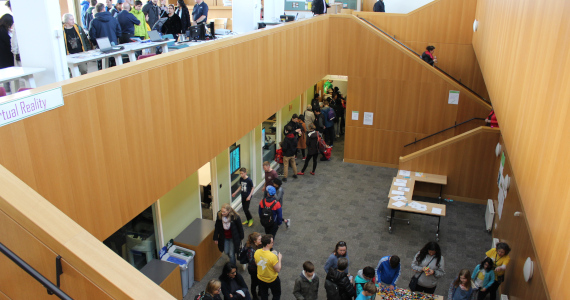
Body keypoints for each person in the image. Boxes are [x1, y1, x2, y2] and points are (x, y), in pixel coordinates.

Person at [254, 235, 282, 300]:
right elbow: (278, 269)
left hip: (261, 278)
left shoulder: (257, 252)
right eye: (272, 242)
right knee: (276, 294)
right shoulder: (272, 256)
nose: (273, 243)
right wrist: (279, 258)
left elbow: (257, 264)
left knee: (264, 294)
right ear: (267, 244)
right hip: (272, 279)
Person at [245, 232, 262, 300]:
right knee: (254, 283)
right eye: (259, 239)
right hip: (253, 269)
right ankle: (254, 296)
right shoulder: (250, 249)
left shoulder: (259, 245)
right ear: (255, 241)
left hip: (259, 268)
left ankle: (260, 292)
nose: (261, 240)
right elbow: (251, 261)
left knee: (260, 281)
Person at [0, 14, 14, 92]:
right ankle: (7, 91)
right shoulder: (2, 31)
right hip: (5, 57)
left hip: (2, 57)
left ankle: (6, 90)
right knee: (6, 75)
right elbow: (9, 42)